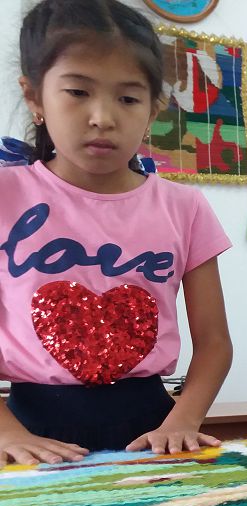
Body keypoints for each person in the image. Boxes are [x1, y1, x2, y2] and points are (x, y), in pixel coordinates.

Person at [0, 0, 233, 464]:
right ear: (34, 97)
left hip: (151, 430)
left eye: (127, 98)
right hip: (25, 433)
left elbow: (214, 343)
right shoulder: (7, 195)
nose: (103, 117)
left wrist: (183, 421)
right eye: (78, 92)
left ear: (154, 109)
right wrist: (6, 434)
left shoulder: (184, 206)